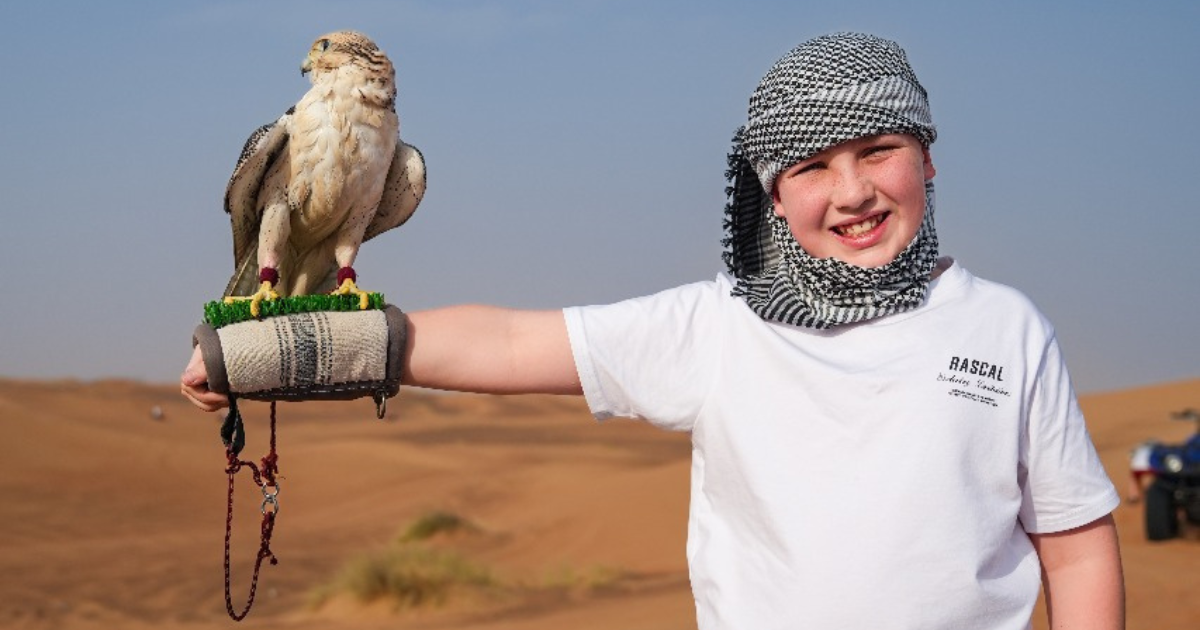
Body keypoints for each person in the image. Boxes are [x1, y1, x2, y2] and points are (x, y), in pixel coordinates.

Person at [183, 32, 1124, 629]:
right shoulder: (723, 324)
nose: (852, 192)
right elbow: (513, 346)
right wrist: (282, 351)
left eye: (879, 152)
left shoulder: (1007, 330)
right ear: (769, 192)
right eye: (812, 166)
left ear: (925, 158)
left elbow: (1076, 545)